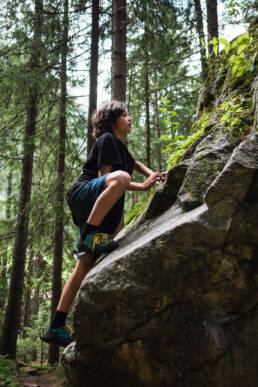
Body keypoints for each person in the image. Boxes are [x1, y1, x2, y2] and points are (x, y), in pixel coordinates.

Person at [40, 100, 166, 347]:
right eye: (125, 115)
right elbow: (106, 178)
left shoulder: (120, 146)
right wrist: (139, 184)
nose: (130, 119)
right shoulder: (107, 139)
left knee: (84, 265)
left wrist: (154, 176)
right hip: (85, 195)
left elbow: (135, 164)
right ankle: (88, 234)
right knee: (120, 177)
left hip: (96, 211)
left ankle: (56, 325)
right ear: (111, 120)